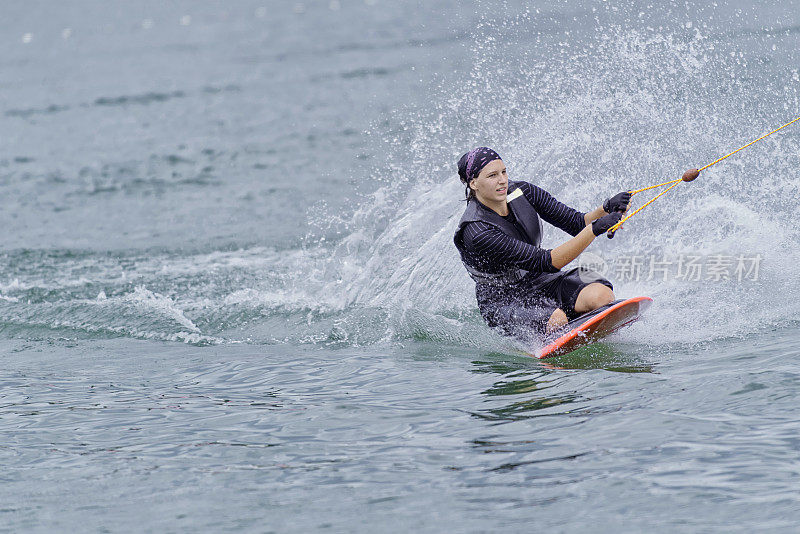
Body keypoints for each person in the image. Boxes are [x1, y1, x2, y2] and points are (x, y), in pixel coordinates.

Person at [453, 147, 630, 339]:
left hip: (540, 279)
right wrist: (595, 229)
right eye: (492, 175)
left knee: (602, 296)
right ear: (474, 183)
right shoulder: (477, 231)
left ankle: (569, 325)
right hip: (503, 299)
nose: (502, 180)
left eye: (503, 172)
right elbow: (548, 261)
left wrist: (605, 209)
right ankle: (548, 334)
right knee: (557, 320)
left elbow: (577, 222)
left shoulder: (524, 192)